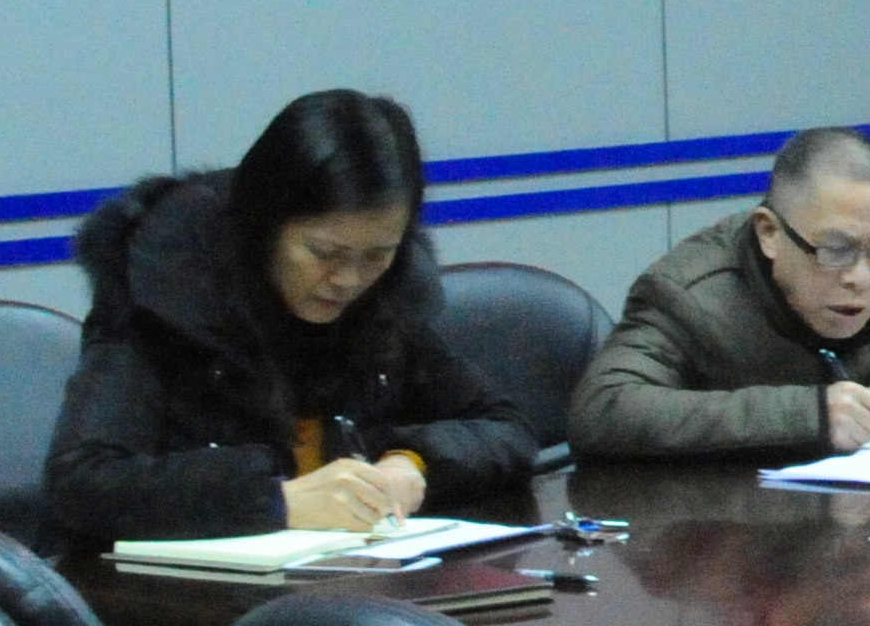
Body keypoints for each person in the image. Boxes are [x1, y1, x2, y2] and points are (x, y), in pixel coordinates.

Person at [46, 89, 534, 546]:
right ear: (267, 225)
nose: (348, 280)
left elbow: (503, 426)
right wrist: (277, 501)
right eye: (324, 252)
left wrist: (411, 463)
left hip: (354, 576)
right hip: (175, 598)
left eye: (376, 255)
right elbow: (83, 483)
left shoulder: (385, 299)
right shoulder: (165, 295)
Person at [567, 127, 870, 460]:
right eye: (835, 250)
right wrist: (813, 413)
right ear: (770, 233)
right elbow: (604, 408)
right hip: (725, 538)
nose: (861, 277)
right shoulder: (691, 296)